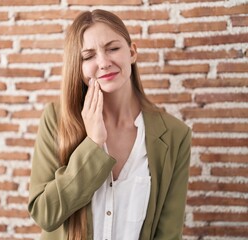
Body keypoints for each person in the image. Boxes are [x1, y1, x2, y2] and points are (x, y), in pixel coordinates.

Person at [28, 9, 191, 240]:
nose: (103, 63)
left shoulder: (176, 135)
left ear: (132, 52)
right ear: (79, 66)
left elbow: (169, 234)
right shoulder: (56, 119)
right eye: (88, 56)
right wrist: (93, 144)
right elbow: (44, 213)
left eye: (113, 49)